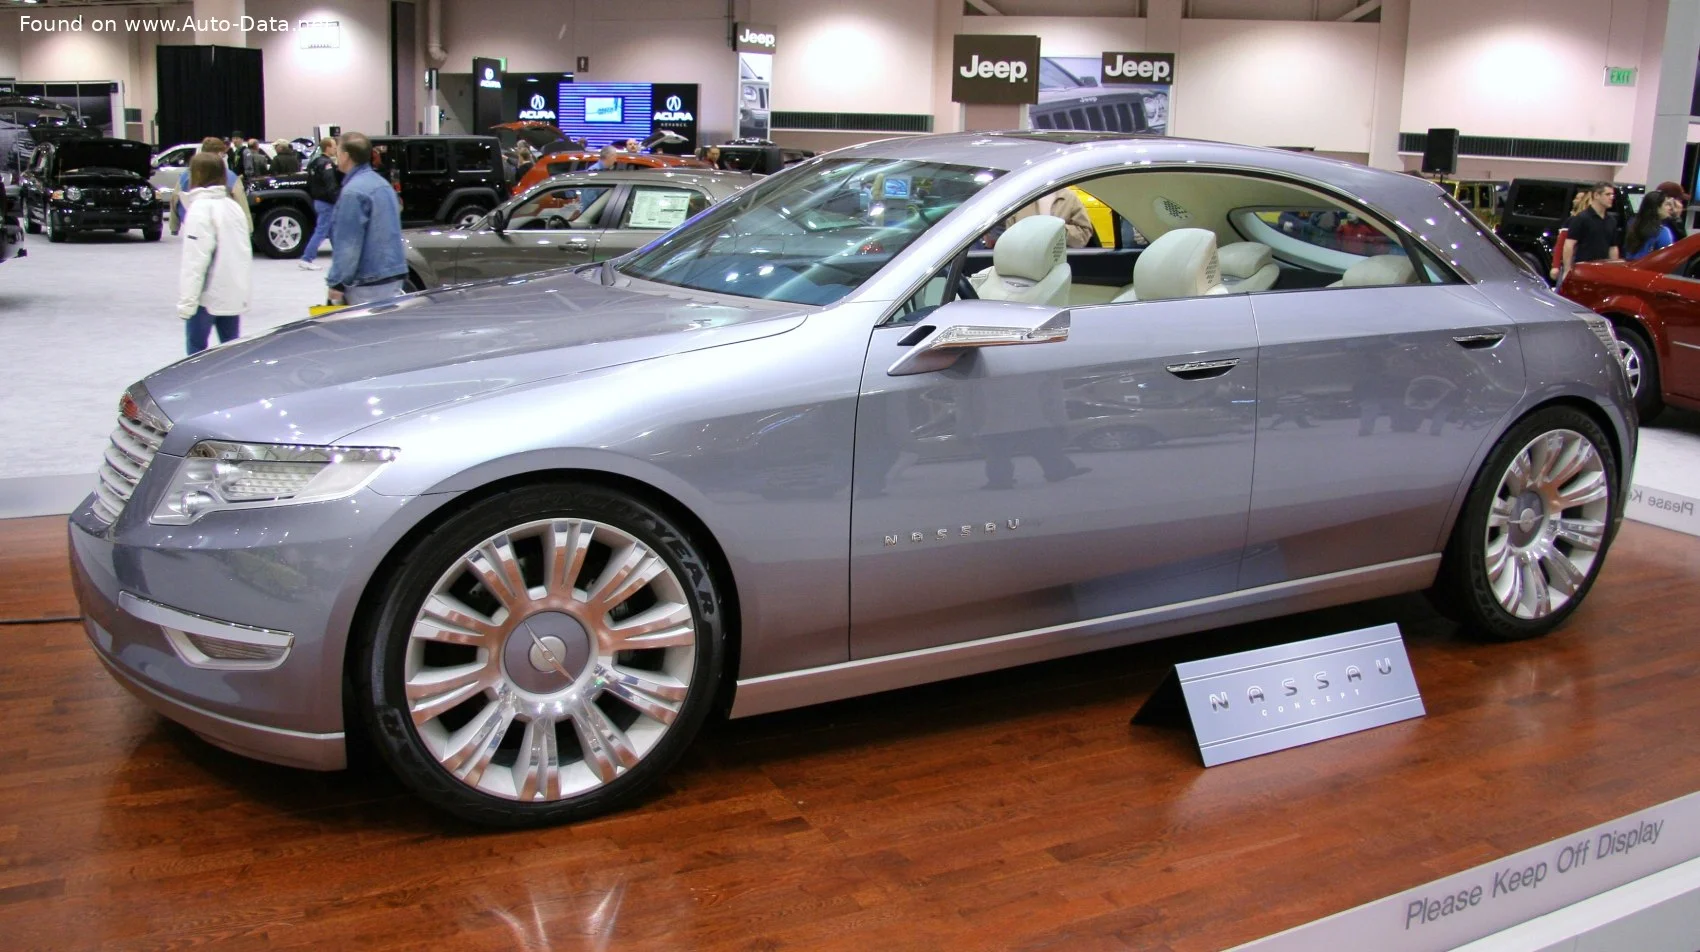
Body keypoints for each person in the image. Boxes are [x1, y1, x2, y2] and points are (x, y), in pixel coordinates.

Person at [177, 152, 252, 355]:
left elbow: (195, 260)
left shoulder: (200, 209)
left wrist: (187, 303)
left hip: (206, 298)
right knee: (231, 353)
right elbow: (244, 252)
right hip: (232, 293)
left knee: (196, 354)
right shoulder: (233, 206)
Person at [325, 132, 407, 306]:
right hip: (393, 275)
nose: (335, 156)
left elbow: (348, 243)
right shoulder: (383, 185)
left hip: (367, 282)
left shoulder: (353, 192)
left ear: (346, 155)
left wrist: (337, 282)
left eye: (337, 151)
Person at [172, 137, 252, 235]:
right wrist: (248, 229)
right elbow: (241, 202)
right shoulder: (230, 176)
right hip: (222, 226)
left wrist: (174, 226)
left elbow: (175, 198)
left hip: (193, 223)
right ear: (219, 154)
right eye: (223, 154)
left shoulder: (186, 175)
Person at [298, 136, 342, 270]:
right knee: (322, 231)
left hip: (319, 200)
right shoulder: (327, 164)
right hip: (327, 202)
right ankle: (307, 258)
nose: (335, 149)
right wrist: (338, 198)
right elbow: (330, 184)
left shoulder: (314, 163)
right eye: (334, 147)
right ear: (327, 148)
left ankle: (341, 258)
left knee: (333, 230)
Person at [1560, 183, 1618, 281]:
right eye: (1607, 194)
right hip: (1583, 268)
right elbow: (1569, 244)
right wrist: (1567, 269)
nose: (1611, 197)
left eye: (1612, 195)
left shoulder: (1611, 221)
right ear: (1596, 195)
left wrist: (1614, 269)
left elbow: (1613, 247)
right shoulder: (1582, 218)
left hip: (1603, 270)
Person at [1005, 189, 1094, 248]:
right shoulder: (1019, 199)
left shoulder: (1069, 198)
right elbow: (1008, 240)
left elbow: (1084, 235)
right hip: (1025, 262)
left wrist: (1058, 230)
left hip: (1057, 262)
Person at [1550, 191, 1591, 282]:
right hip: (1571, 264)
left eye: (1578, 198)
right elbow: (1560, 244)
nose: (1574, 201)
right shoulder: (1572, 220)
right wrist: (1556, 266)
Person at [1626, 189, 1677, 260]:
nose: (1670, 208)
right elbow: (1667, 258)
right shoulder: (1662, 232)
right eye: (1666, 204)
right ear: (1656, 208)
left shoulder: (1633, 225)